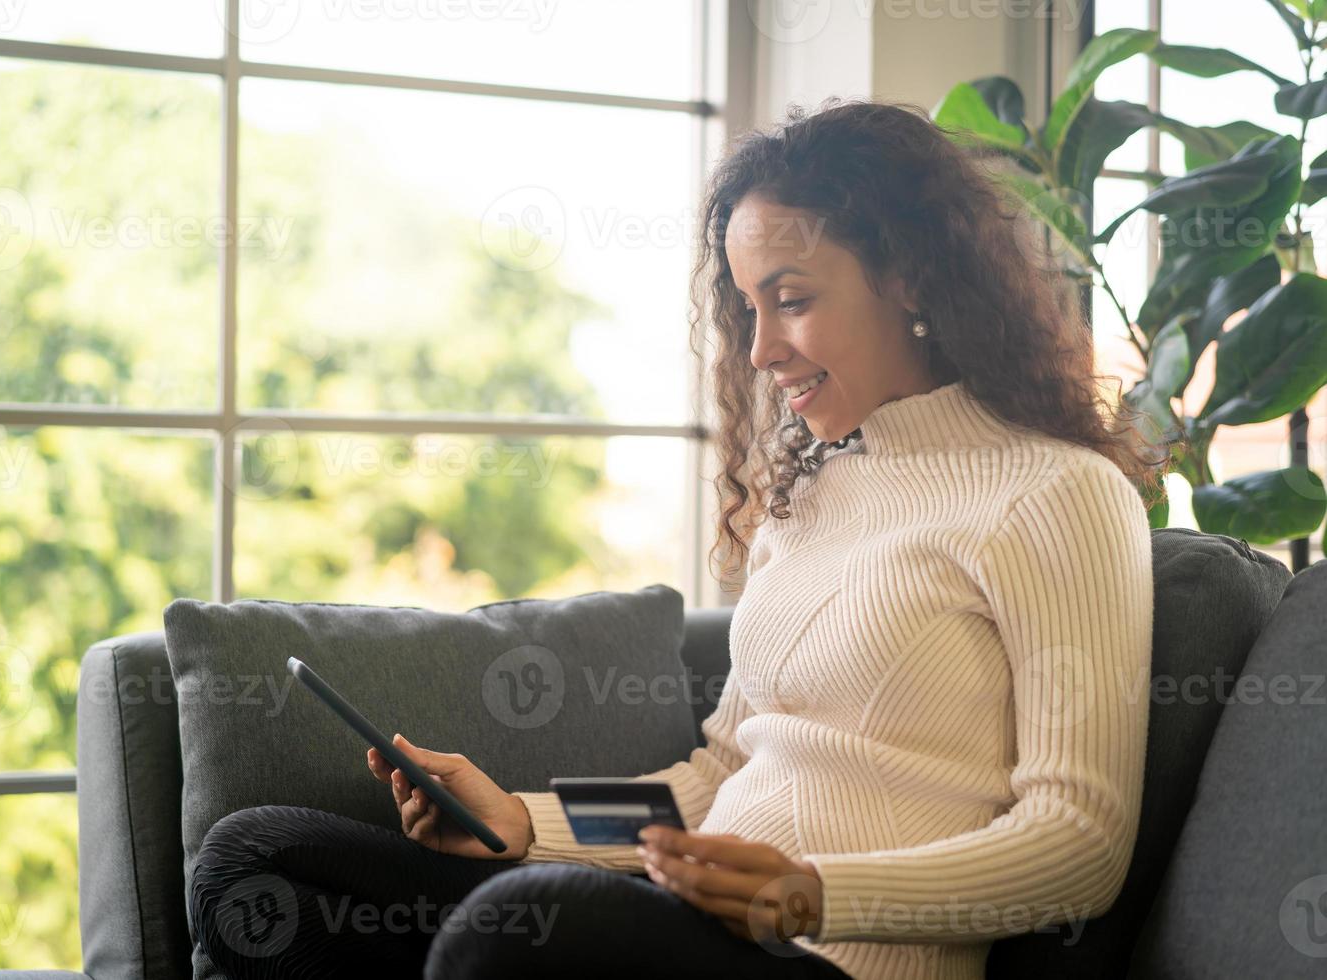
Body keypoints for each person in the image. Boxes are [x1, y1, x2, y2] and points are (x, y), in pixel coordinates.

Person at [189, 95, 1166, 980]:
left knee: (516, 928)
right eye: (748, 306)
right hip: (675, 927)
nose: (760, 350)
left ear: (910, 276)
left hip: (832, 959)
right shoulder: (812, 494)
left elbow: (1079, 840)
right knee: (258, 857)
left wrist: (811, 891)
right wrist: (524, 818)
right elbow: (718, 777)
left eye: (792, 297)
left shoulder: (1058, 496)